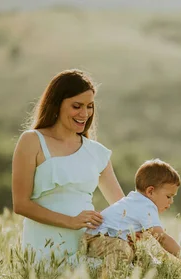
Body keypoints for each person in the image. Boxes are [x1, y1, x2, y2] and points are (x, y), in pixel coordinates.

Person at [11, 69, 124, 267]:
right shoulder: (32, 141)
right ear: (57, 104)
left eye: (89, 106)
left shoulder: (97, 153)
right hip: (45, 249)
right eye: (76, 106)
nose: (84, 114)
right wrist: (71, 221)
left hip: (86, 244)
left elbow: (122, 207)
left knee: (132, 272)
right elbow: (21, 204)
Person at [81, 159, 181, 279]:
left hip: (103, 239)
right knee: (122, 249)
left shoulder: (135, 200)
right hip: (96, 239)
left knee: (142, 254)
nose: (171, 201)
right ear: (150, 191)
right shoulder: (146, 206)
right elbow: (162, 238)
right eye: (168, 196)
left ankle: (155, 275)